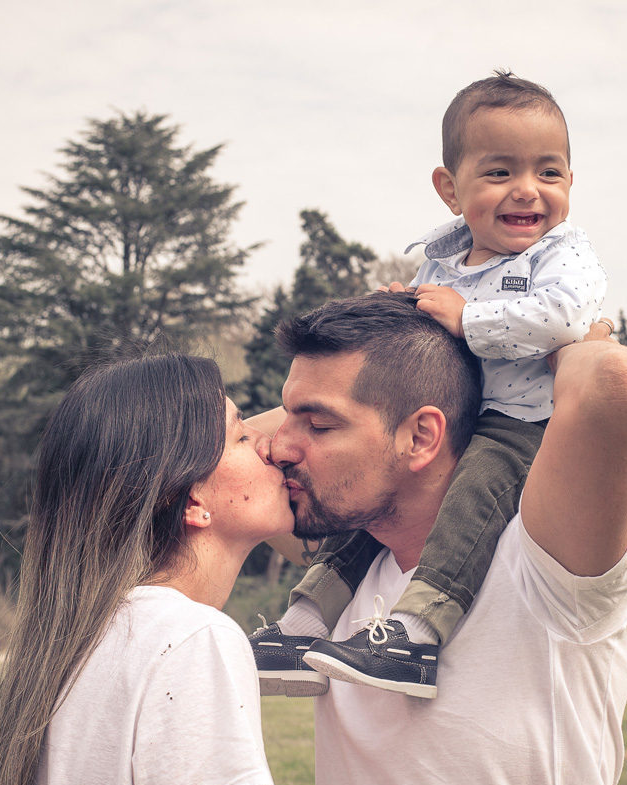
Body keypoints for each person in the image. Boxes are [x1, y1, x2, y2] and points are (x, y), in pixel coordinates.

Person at [257, 70, 609, 698]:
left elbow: (567, 320)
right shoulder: (444, 260)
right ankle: (305, 623)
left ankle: (417, 634)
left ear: (570, 183)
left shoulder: (562, 257)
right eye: (500, 172)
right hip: (454, 411)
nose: (527, 190)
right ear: (451, 188)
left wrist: (466, 317)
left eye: (548, 173)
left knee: (469, 503)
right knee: (371, 503)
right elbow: (425, 338)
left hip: (519, 422)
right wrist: (403, 311)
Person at [254, 291, 627, 785]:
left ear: (422, 436)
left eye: (318, 424)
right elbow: (206, 451)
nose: (279, 446)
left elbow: (621, 386)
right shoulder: (348, 565)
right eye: (290, 414)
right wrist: (399, 332)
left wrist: (543, 333)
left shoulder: (546, 561)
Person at [0, 354, 286, 785]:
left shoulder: (89, 638)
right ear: (191, 499)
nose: (274, 445)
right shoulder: (194, 639)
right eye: (241, 434)